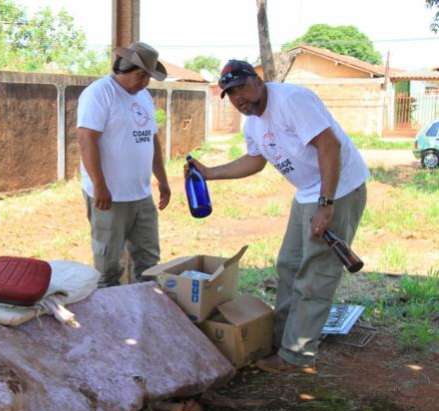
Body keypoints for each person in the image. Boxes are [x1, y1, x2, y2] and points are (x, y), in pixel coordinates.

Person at [188, 59, 369, 372]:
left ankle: (296, 353)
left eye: (242, 87)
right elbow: (254, 161)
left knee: (316, 273)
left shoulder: (292, 100)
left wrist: (326, 205)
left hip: (337, 189)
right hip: (307, 194)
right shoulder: (254, 123)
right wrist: (209, 173)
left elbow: (329, 145)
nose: (238, 98)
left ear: (258, 81)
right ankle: (281, 339)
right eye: (230, 94)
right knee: (289, 265)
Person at [77, 41, 171, 287]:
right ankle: (110, 317)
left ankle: (145, 314)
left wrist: (162, 180)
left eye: (148, 77)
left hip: (141, 195)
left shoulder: (144, 97)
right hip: (109, 197)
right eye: (141, 76)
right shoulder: (99, 93)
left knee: (149, 263)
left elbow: (151, 140)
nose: (144, 83)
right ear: (123, 68)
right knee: (108, 267)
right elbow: (86, 140)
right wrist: (100, 185)